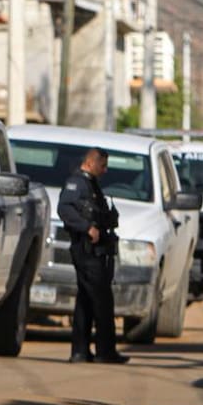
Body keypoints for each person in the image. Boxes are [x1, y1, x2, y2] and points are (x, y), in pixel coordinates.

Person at [58, 147, 129, 365]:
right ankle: (104, 351)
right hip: (86, 250)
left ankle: (80, 351)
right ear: (90, 162)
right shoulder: (77, 183)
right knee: (102, 301)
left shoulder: (91, 183)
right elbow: (65, 210)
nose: (105, 170)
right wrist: (87, 228)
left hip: (97, 251)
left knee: (87, 301)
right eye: (103, 165)